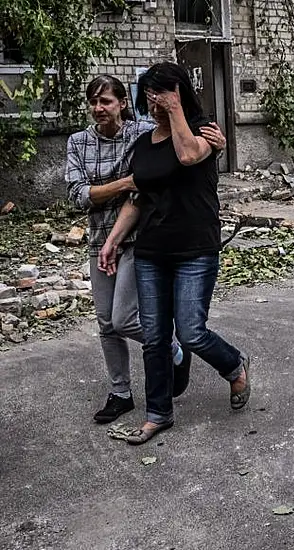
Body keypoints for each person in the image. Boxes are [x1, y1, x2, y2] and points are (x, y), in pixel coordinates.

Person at [99, 62, 251, 445]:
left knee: (191, 332)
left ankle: (233, 365)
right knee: (153, 337)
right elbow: (137, 199)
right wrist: (113, 240)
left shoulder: (205, 133)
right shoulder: (142, 145)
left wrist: (176, 108)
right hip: (151, 250)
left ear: (179, 92)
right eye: (149, 95)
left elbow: (186, 156)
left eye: (162, 93)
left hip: (195, 249)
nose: (155, 102)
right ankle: (158, 414)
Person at [66, 75, 225, 424]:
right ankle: (120, 392)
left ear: (123, 103)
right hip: (101, 237)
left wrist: (217, 144)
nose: (98, 108)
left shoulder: (143, 132)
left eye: (105, 101)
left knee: (124, 318)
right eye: (93, 102)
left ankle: (173, 350)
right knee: (106, 323)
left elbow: (182, 151)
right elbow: (77, 194)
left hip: (141, 238)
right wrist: (125, 183)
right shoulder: (78, 142)